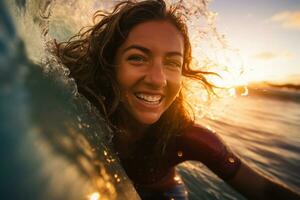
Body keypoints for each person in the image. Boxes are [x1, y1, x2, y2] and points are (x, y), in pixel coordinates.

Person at [54, 0, 300, 199]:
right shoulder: (80, 103)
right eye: (138, 58)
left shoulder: (192, 139)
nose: (158, 80)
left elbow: (265, 191)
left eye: (172, 63)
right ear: (110, 64)